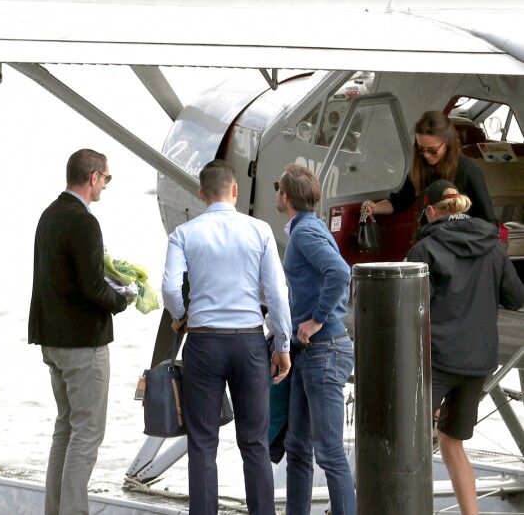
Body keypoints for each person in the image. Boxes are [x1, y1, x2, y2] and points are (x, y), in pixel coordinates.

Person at [161, 159, 292, 515]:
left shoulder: (184, 233)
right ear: (235, 190)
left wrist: (181, 316)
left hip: (203, 343)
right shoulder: (260, 230)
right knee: (254, 443)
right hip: (249, 343)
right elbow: (278, 294)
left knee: (203, 444)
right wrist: (282, 344)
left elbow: (171, 288)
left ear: (201, 194)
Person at [407, 179, 524, 515]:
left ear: (430, 210)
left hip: (436, 362)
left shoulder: (423, 251)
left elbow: (412, 311)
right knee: (452, 442)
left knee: (404, 442)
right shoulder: (493, 246)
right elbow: (515, 297)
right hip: (477, 363)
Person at [28, 149, 129, 515]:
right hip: (82, 343)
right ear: (93, 178)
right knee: (87, 433)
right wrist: (124, 298)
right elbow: (93, 288)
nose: (105, 185)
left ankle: (54, 511)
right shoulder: (85, 222)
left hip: (51, 339)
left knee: (65, 428)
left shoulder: (49, 215)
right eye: (106, 179)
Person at [276, 163, 356, 515]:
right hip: (308, 352)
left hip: (323, 350)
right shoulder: (311, 228)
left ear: (285, 196)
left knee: (329, 451)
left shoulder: (306, 233)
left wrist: (316, 320)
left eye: (278, 188)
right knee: (297, 445)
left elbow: (340, 272)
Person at [368, 110, 497, 225]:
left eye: (433, 150)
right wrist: (375, 208)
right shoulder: (421, 166)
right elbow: (402, 201)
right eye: (421, 149)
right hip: (430, 237)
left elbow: (489, 222)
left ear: (447, 143)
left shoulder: (468, 171)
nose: (427, 155)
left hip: (460, 242)